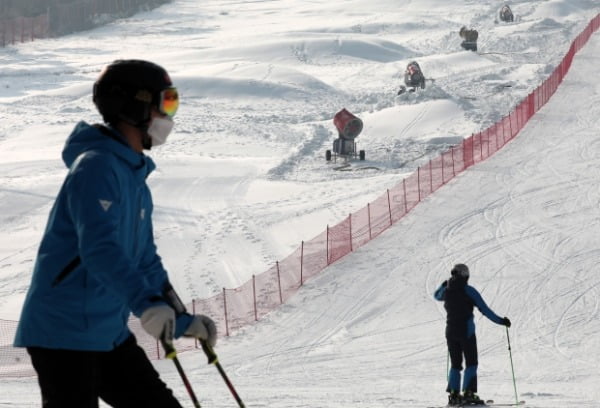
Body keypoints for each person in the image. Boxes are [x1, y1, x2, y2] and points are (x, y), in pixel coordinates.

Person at [13, 59, 218, 408]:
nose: (169, 115)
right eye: (165, 103)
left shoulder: (134, 177)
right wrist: (146, 304)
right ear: (135, 106)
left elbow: (145, 261)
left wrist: (181, 318)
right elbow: (99, 250)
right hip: (63, 333)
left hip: (107, 332)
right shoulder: (96, 167)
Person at [434, 264, 511, 406]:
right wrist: (501, 321)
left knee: (455, 364)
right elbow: (484, 309)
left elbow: (436, 295)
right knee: (471, 362)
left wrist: (444, 284)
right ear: (465, 275)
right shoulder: (468, 290)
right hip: (466, 332)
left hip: (450, 332)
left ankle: (454, 395)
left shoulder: (446, 290)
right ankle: (468, 393)